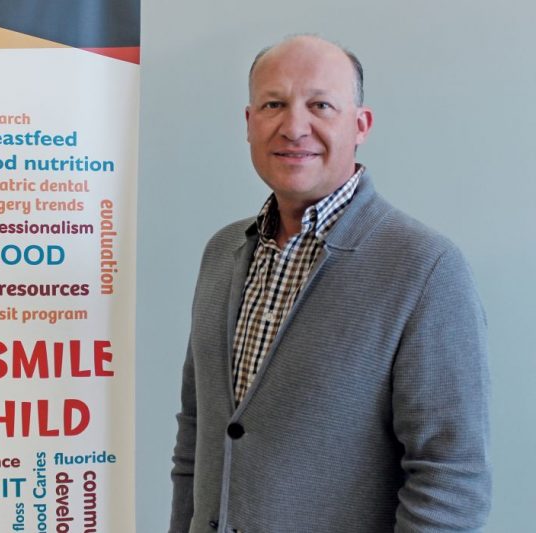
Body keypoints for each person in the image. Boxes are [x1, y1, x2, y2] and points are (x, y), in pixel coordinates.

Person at [169, 35, 490, 533]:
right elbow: (196, 436)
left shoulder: (426, 268)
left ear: (360, 125)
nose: (294, 126)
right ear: (249, 123)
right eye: (274, 104)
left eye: (320, 105)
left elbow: (449, 478)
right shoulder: (222, 252)